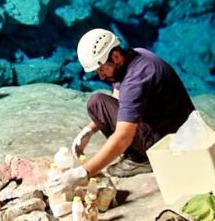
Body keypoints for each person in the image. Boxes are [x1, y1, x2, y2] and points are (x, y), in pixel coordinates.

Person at [50, 28, 195, 190]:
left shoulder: (136, 80)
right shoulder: (135, 56)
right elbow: (117, 100)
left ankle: (141, 159)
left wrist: (82, 173)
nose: (101, 76)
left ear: (116, 56)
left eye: (102, 69)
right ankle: (142, 153)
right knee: (97, 102)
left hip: (170, 142)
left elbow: (122, 138)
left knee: (104, 111)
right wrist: (89, 130)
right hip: (170, 127)